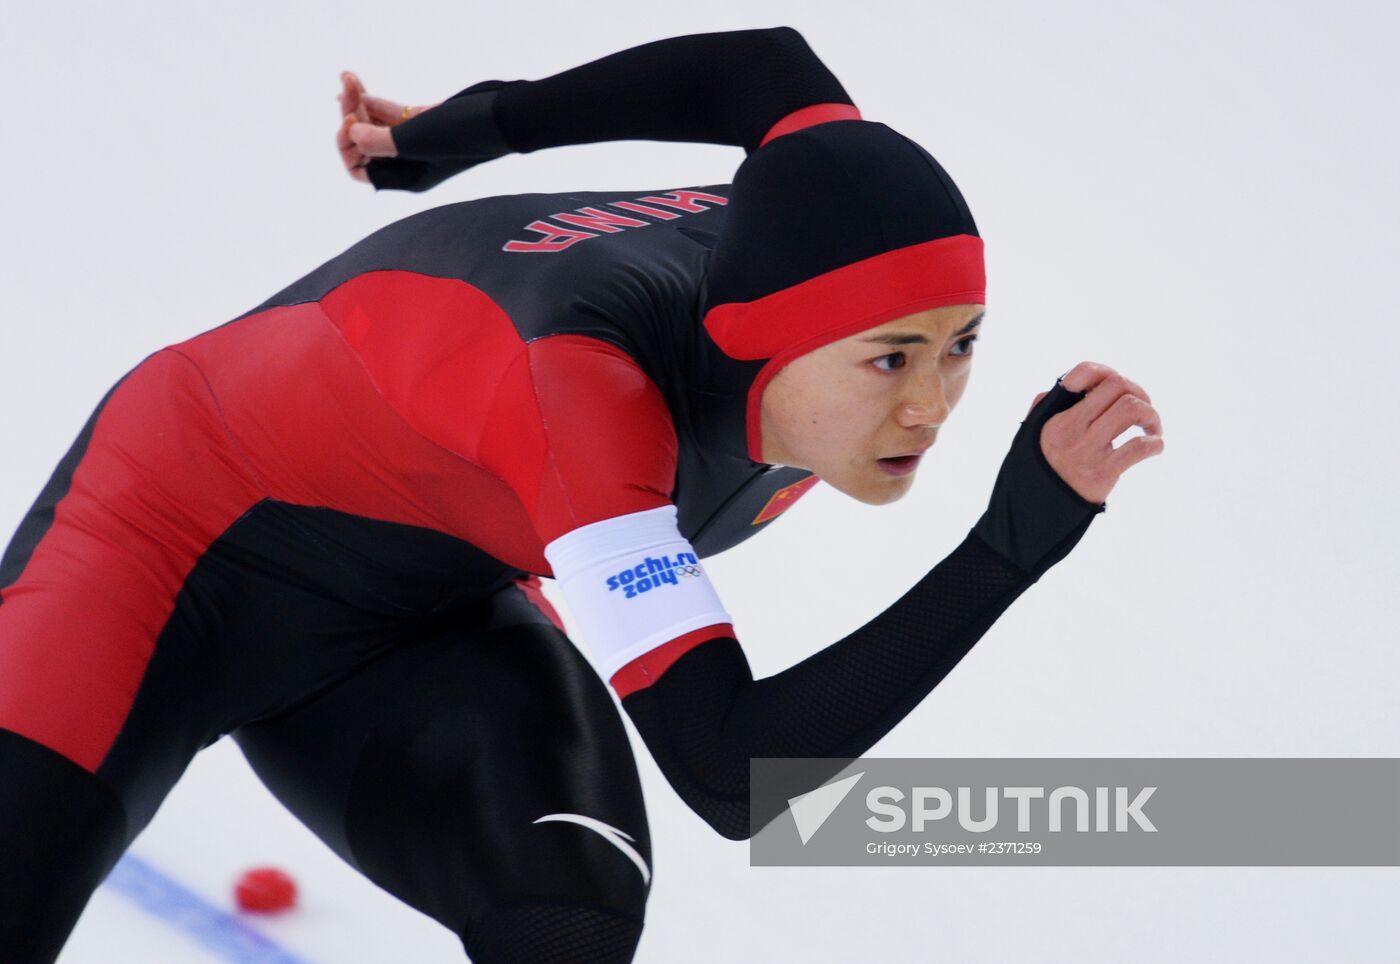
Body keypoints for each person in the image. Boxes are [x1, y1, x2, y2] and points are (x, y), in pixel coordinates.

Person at [0, 26, 1163, 964]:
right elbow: (733, 771)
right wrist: (1009, 546)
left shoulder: (822, 216)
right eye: (887, 359)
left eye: (959, 342)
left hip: (422, 607)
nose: (932, 404)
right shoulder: (584, 395)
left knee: (568, 918)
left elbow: (763, 70)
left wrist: (462, 131)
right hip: (163, 545)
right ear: (756, 344)